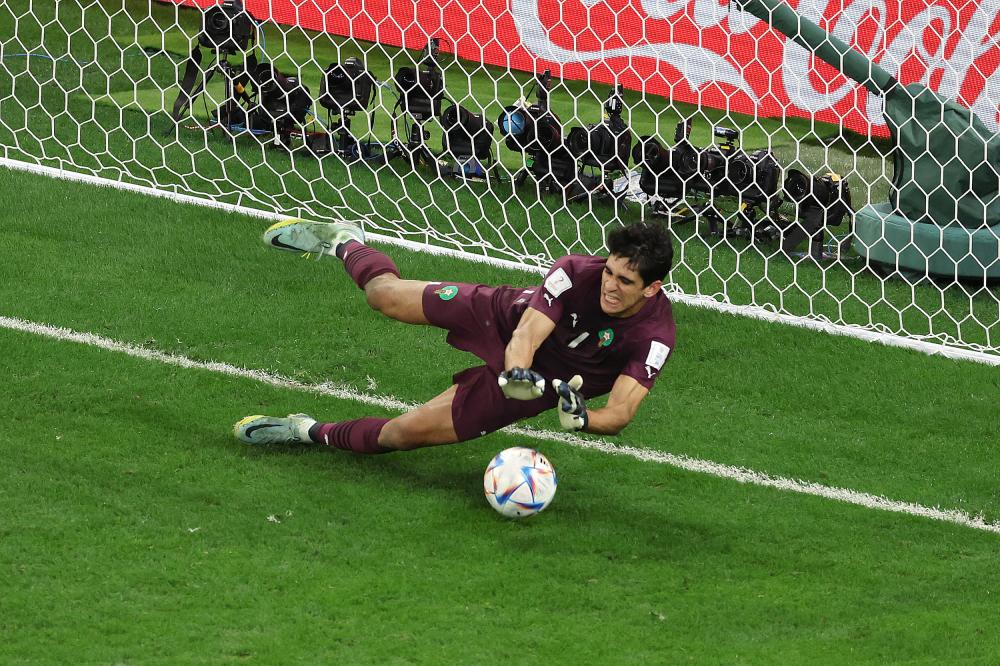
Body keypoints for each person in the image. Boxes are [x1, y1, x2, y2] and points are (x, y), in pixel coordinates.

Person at [234, 218, 676, 453]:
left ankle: (305, 431)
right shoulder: (575, 271)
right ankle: (344, 241)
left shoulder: (654, 337)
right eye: (610, 271)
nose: (609, 285)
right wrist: (516, 373)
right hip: (504, 318)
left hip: (540, 386)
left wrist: (584, 419)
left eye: (625, 282)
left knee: (401, 435)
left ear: (652, 288)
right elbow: (526, 335)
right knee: (384, 296)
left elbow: (620, 412)